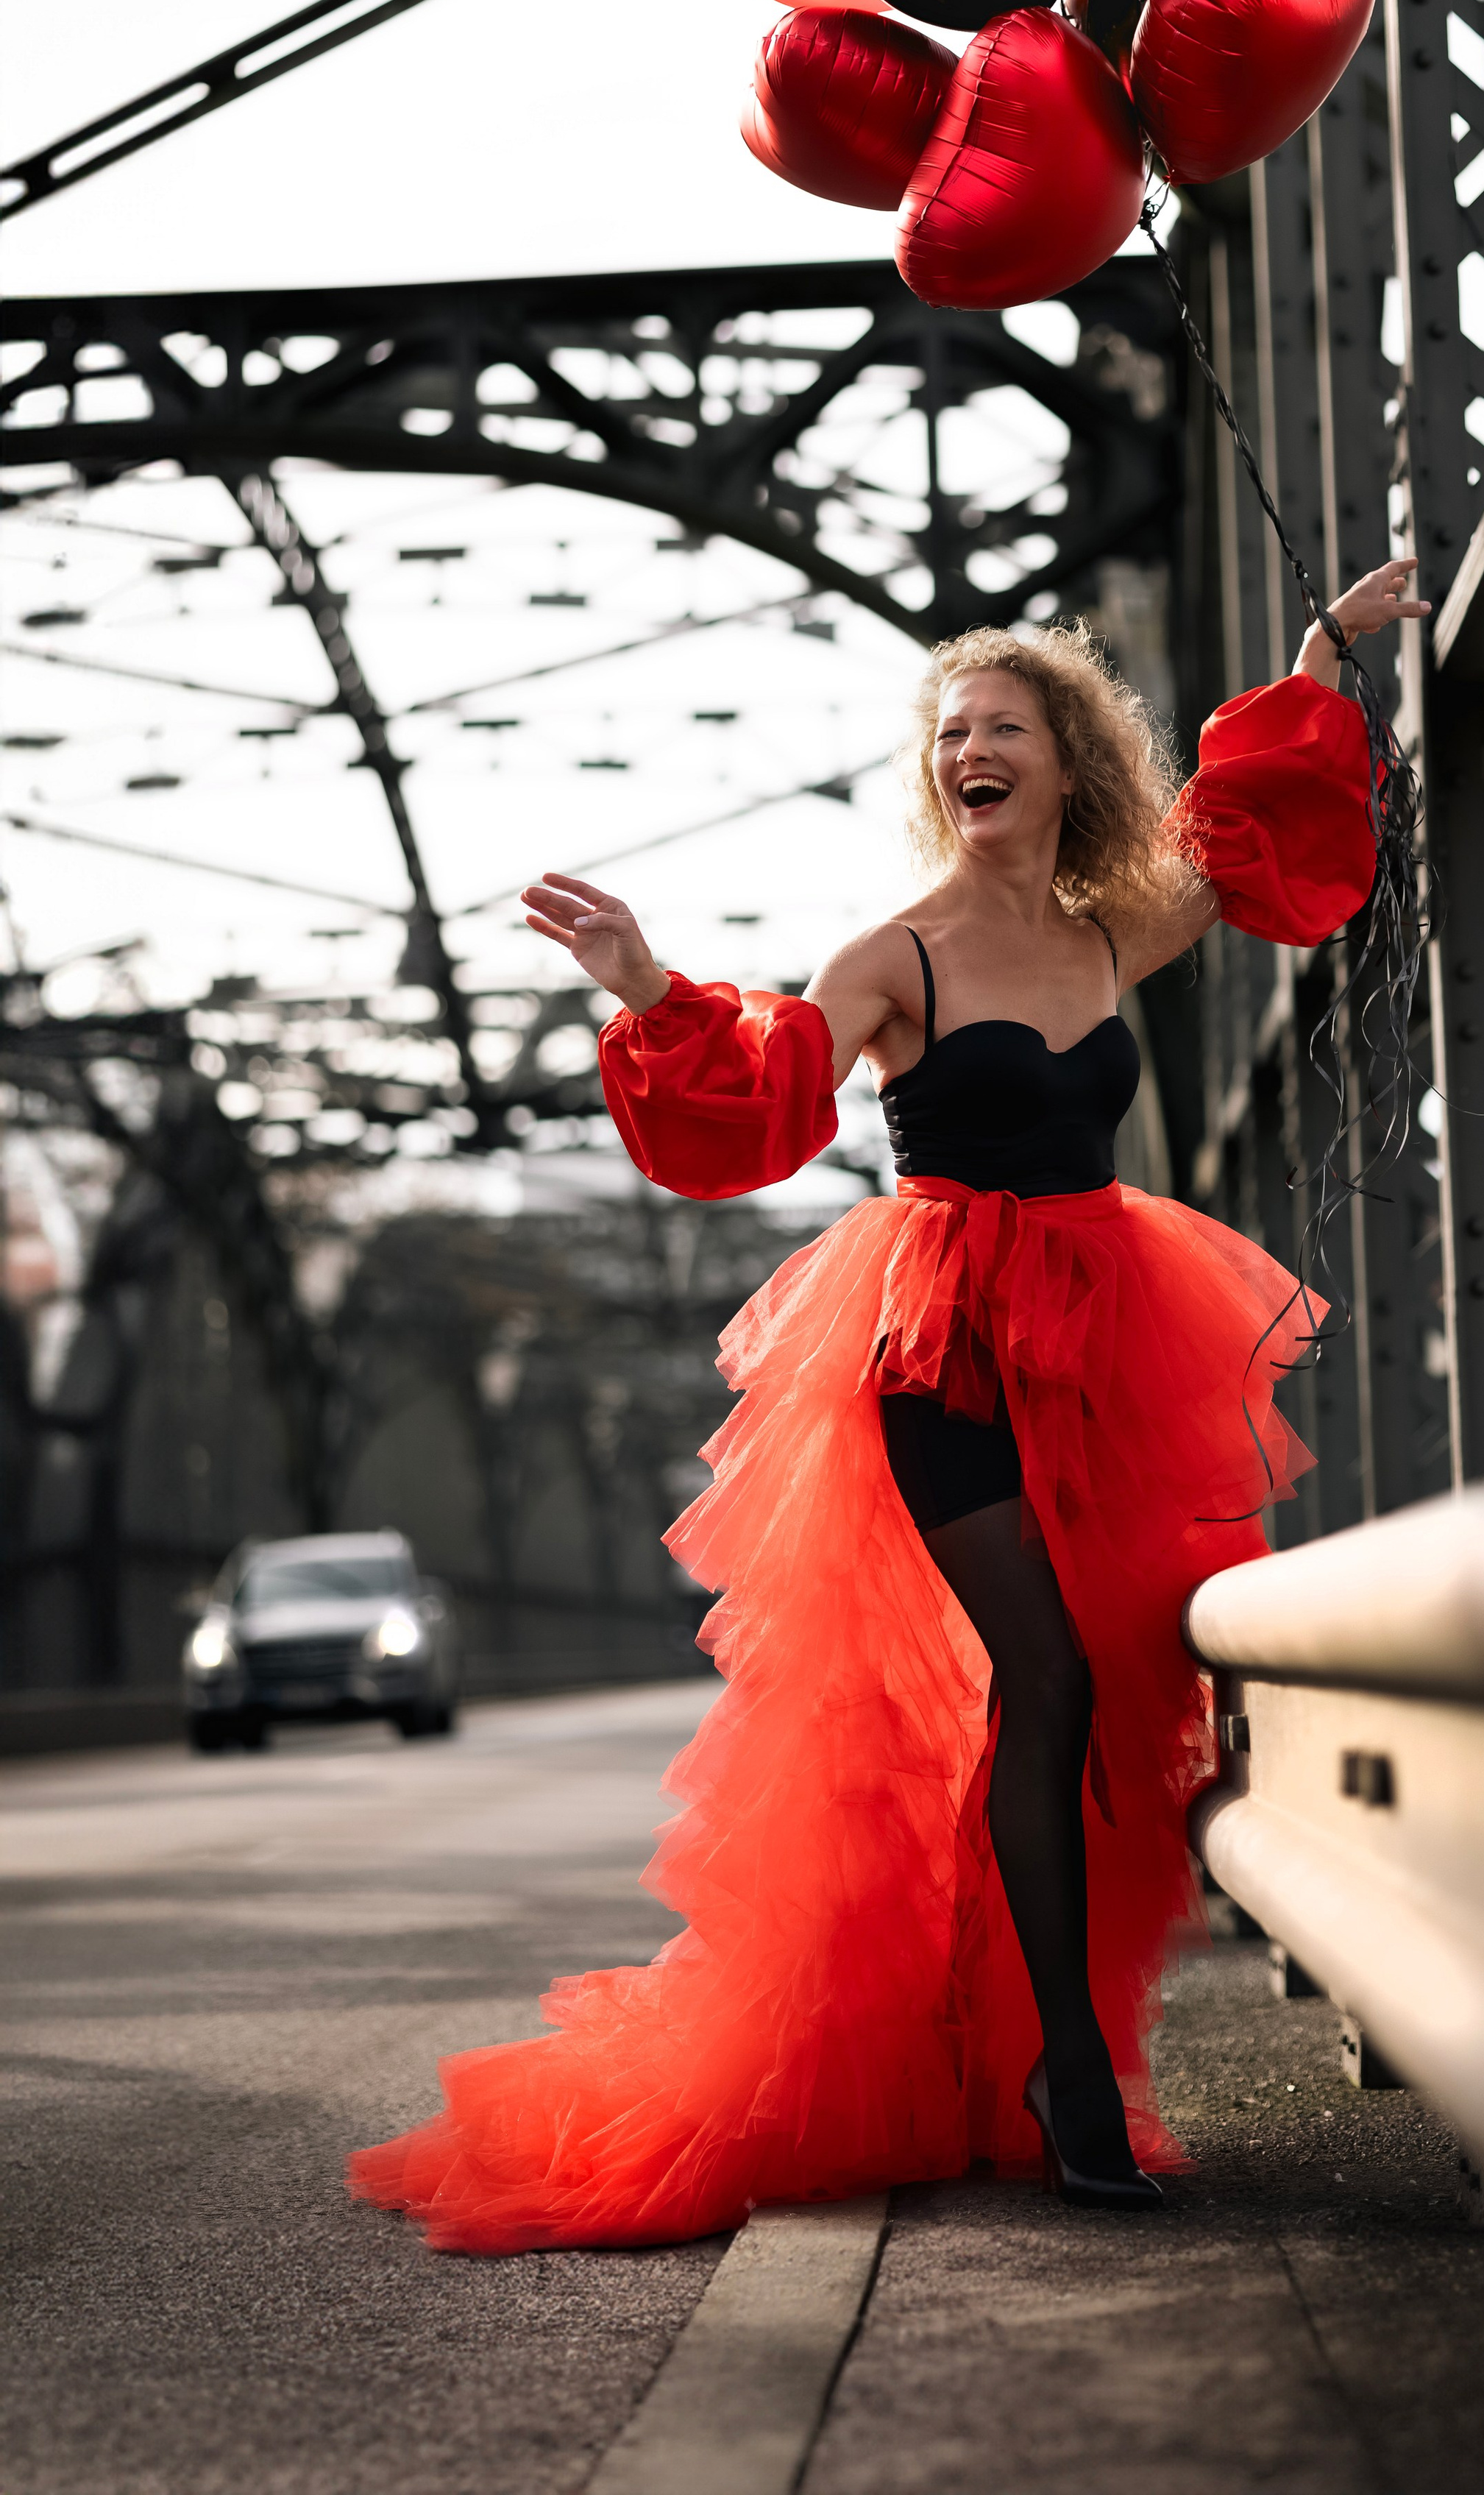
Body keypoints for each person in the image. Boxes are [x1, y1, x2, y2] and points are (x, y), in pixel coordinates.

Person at [349, 561, 1427, 2248]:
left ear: (1070, 762)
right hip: (936, 1346)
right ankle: (1068, 2072)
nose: (966, 751)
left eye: (1001, 727)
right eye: (946, 734)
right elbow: (768, 1092)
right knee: (1048, 1670)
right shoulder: (893, 954)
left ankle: (1027, 2046)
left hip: (1105, 1331)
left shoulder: (1098, 931)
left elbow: (1243, 845)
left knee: (1097, 1695)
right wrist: (645, 984)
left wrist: (1315, 649)